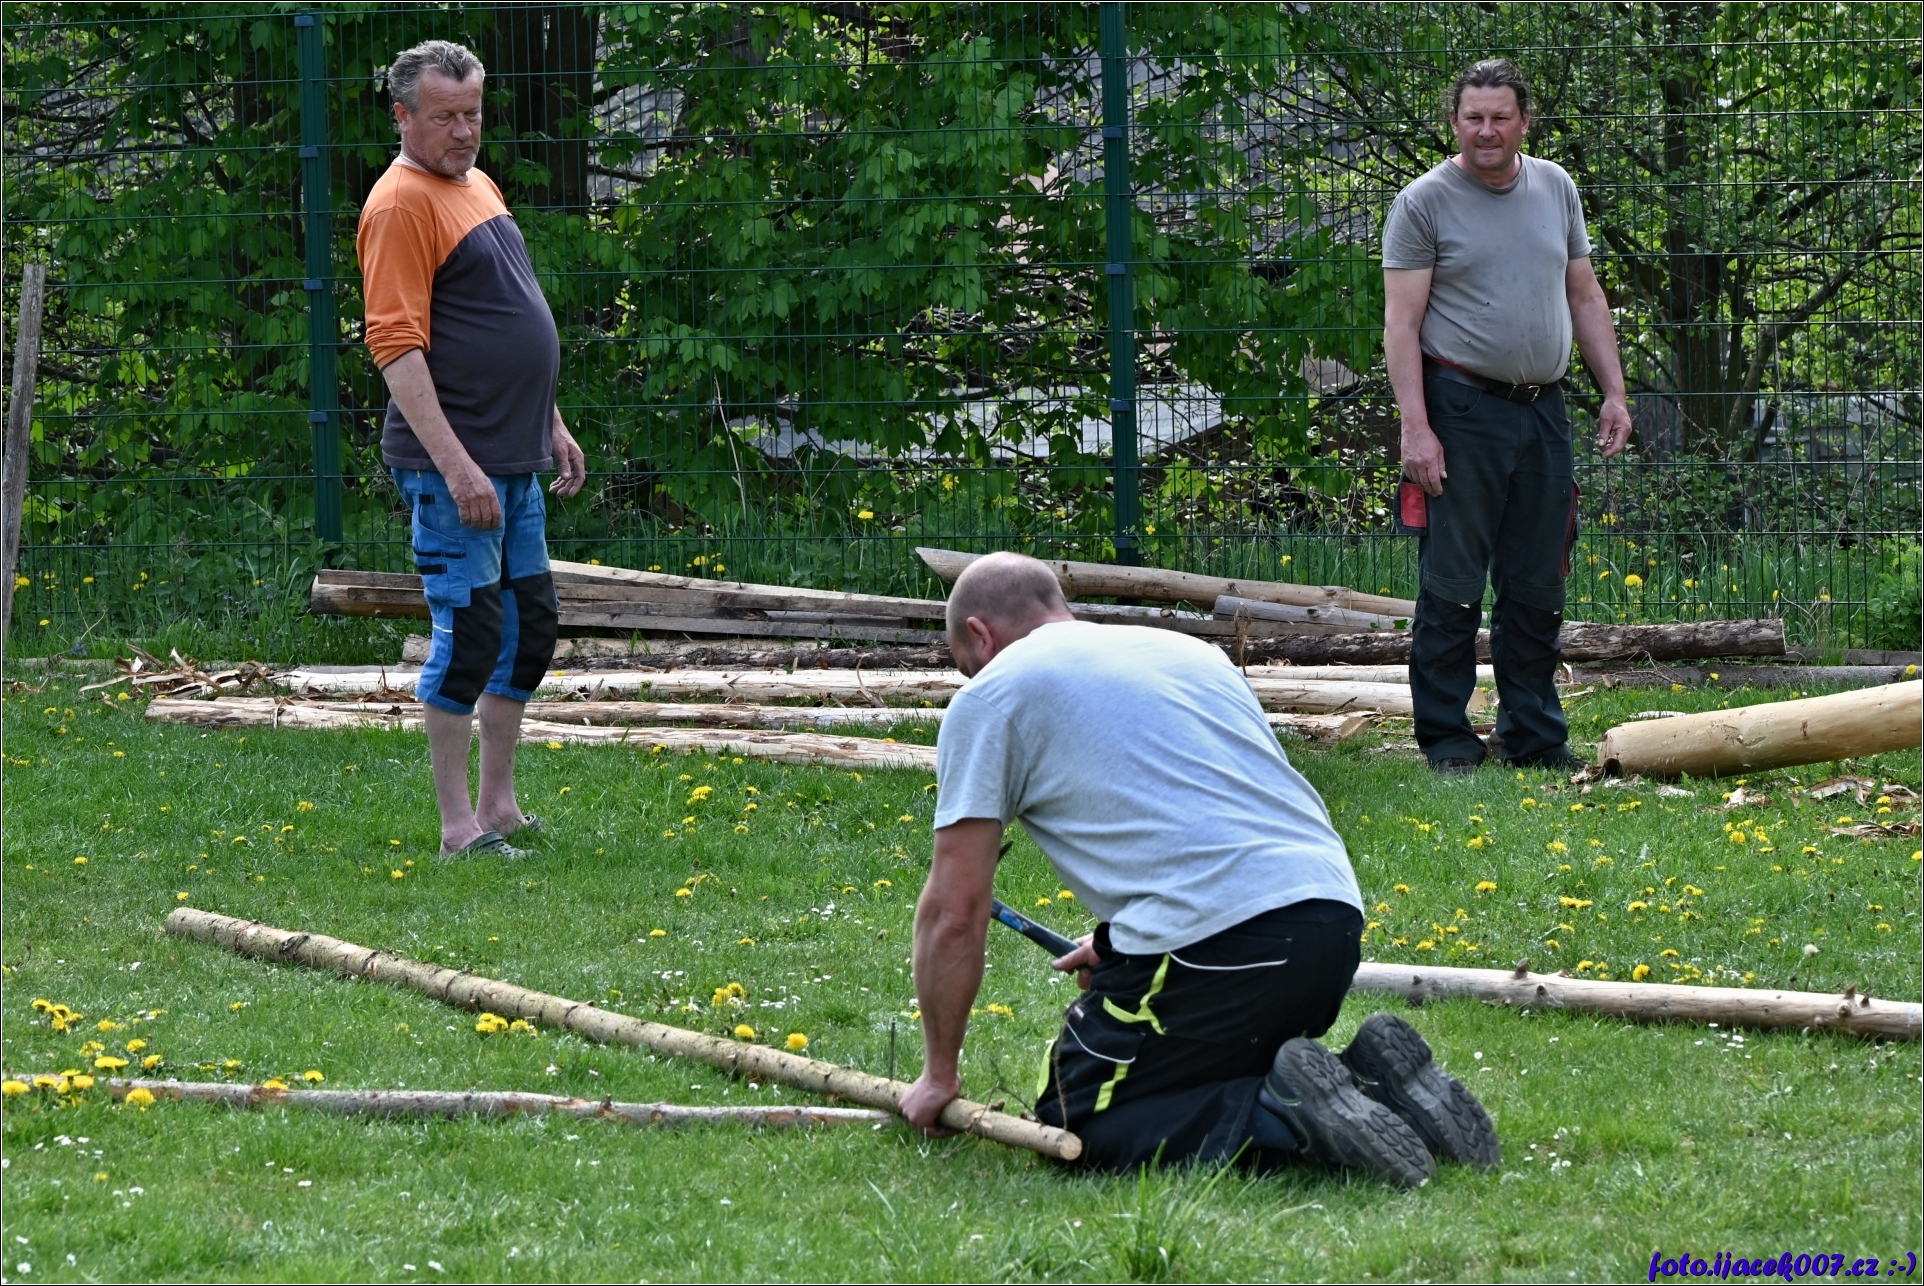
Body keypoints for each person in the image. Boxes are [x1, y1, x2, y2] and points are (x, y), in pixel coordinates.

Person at [899, 553, 1498, 1185]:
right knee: (1203, 1067)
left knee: (1079, 1123)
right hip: (1330, 924)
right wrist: (1121, 945)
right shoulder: (1188, 654)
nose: (974, 678)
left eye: (967, 665)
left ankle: (1284, 1113)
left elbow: (954, 915)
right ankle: (1373, 1082)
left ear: (979, 635)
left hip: (1223, 948)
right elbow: (1213, 815)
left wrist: (939, 1075)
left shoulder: (992, 696)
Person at [357, 40, 587, 856]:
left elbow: (507, 315)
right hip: (454, 467)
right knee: (470, 633)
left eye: (473, 113)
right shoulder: (399, 205)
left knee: (531, 628)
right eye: (444, 117)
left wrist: (548, 417)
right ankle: (458, 829)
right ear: (402, 116)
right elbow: (395, 348)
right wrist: (457, 468)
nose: (464, 131)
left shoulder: (475, 183)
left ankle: (500, 806)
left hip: (515, 454)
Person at [1382, 58, 1633, 775]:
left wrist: (1614, 392)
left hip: (1543, 412)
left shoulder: (1556, 186)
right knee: (1454, 583)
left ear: (1525, 121)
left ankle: (1534, 736)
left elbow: (1584, 295)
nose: (1486, 130)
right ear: (1454, 122)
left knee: (1536, 583)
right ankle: (1447, 740)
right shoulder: (1423, 203)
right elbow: (1402, 325)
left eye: (1500, 117)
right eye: (1473, 117)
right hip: (1459, 409)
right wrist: (1416, 428)